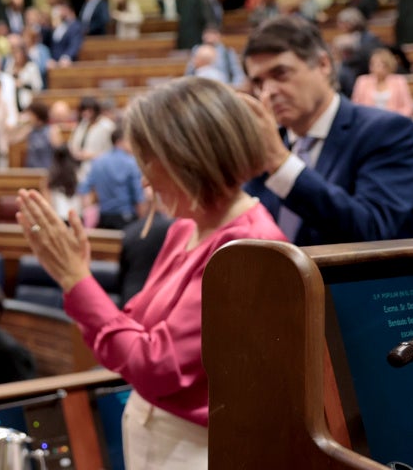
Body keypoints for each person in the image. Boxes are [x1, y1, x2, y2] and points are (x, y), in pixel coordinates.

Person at [17, 76, 288, 469]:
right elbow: (130, 336)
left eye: (149, 161)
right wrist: (74, 279)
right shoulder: (184, 228)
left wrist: (77, 280)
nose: (144, 180)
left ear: (189, 157)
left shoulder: (248, 247)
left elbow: (154, 365)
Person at [242, 15, 413, 245]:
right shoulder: (269, 143)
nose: (268, 92)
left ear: (323, 64)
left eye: (281, 74)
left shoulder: (387, 132)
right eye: (258, 82)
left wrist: (282, 164)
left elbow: (378, 232)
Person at [350, 47, 413, 117]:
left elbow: (408, 108)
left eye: (380, 64)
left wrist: (394, 118)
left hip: (393, 122)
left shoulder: (399, 81)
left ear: (388, 65)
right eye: (373, 64)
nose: (376, 67)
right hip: (369, 122)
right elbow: (356, 106)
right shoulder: (362, 81)